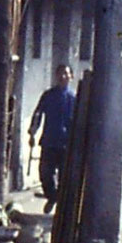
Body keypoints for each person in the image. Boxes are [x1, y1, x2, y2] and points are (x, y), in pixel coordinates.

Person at [26, 65, 75, 206]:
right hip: (49, 142)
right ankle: (52, 196)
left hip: (66, 143)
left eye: (66, 74)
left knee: (64, 177)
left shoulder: (73, 98)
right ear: (56, 76)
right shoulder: (48, 95)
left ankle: (61, 204)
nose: (63, 77)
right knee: (45, 173)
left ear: (71, 76)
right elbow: (38, 113)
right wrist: (32, 132)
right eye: (60, 73)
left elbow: (79, 121)